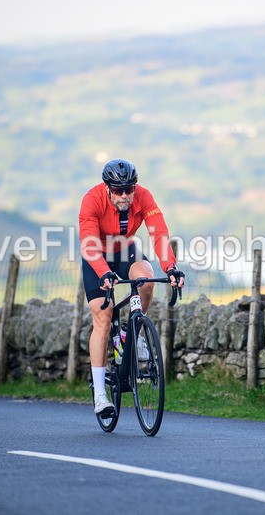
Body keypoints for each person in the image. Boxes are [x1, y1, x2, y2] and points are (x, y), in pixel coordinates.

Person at [79, 158, 185, 416]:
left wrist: (170, 267)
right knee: (103, 318)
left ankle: (130, 333)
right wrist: (104, 273)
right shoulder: (92, 200)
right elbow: (89, 244)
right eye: (118, 190)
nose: (125, 195)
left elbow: (158, 233)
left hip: (125, 251)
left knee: (146, 279)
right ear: (108, 188)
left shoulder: (143, 197)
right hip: (97, 257)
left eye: (129, 189)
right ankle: (101, 396)